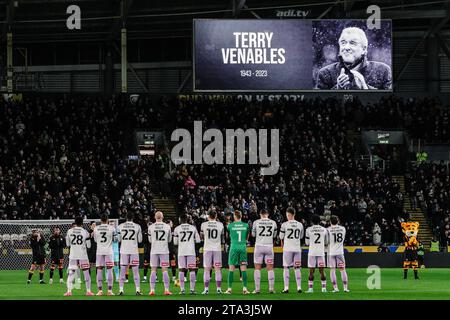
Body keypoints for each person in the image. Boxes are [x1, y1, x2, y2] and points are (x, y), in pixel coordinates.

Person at [316, 27, 392, 90]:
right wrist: (337, 89)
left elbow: (389, 100)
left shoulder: (383, 71)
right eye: (343, 43)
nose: (346, 47)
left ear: (364, 49)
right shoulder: (325, 73)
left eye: (352, 43)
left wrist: (365, 88)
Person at [64, 216, 93, 296]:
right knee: (86, 273)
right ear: (82, 223)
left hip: (73, 255)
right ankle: (88, 291)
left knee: (71, 274)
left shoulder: (69, 231)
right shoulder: (84, 231)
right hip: (83, 255)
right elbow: (89, 245)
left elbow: (67, 244)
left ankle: (69, 291)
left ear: (75, 222)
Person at [173, 214, 201, 295]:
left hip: (181, 251)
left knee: (181, 270)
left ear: (180, 220)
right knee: (192, 270)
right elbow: (198, 240)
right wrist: (192, 240)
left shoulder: (177, 229)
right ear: (187, 220)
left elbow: (175, 242)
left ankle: (182, 290)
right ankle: (192, 290)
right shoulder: (193, 228)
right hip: (191, 251)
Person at [251, 209, 278, 294]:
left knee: (257, 268)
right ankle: (271, 289)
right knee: (270, 268)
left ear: (260, 214)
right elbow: (274, 235)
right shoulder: (273, 222)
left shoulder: (256, 222)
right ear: (268, 214)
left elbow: (253, 234)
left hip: (259, 246)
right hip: (269, 246)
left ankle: (257, 289)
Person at [117, 211, 143, 295]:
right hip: (134, 251)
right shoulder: (137, 226)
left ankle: (121, 290)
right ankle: (138, 290)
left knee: (122, 271)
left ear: (125, 217)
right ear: (133, 218)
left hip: (124, 250)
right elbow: (140, 240)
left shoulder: (120, 226)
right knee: (135, 271)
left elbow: (118, 240)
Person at [279, 207, 304, 293]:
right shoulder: (300, 224)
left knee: (286, 268)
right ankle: (299, 287)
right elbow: (301, 237)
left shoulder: (284, 224)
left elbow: (281, 237)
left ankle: (286, 288)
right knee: (297, 268)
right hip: (297, 249)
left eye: (287, 215)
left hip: (288, 249)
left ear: (289, 215)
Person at [148, 211, 173, 296]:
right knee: (164, 270)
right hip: (164, 251)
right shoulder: (167, 227)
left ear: (155, 217)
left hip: (154, 251)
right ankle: (166, 290)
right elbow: (169, 240)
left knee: (153, 270)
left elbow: (149, 240)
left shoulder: (151, 227)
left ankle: (152, 290)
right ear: (162, 217)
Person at [225, 210, 250, 295]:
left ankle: (229, 289)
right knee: (243, 269)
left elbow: (228, 232)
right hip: (242, 247)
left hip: (234, 248)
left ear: (234, 217)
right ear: (241, 216)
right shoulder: (246, 225)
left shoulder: (230, 225)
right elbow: (247, 236)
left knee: (231, 268)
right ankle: (245, 288)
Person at [200, 209, 225, 295]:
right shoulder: (220, 224)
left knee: (207, 269)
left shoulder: (203, 224)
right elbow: (222, 238)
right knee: (218, 269)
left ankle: (206, 289)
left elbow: (202, 237)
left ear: (208, 216)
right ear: (216, 216)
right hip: (217, 249)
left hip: (207, 249)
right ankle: (218, 289)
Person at [93, 214, 116, 296]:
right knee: (109, 269)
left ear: (100, 220)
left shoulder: (96, 228)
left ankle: (100, 291)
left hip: (99, 251)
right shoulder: (112, 228)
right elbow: (115, 239)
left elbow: (95, 240)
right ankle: (109, 291)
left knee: (99, 270)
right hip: (109, 251)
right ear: (108, 220)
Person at [305, 214, 329, 293]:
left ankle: (310, 289)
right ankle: (324, 288)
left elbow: (307, 243)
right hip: (321, 252)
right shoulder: (324, 229)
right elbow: (326, 242)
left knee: (311, 272)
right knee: (322, 271)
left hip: (312, 252)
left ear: (312, 221)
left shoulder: (308, 229)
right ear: (319, 221)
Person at [327, 216, 349, 292]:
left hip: (331, 252)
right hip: (340, 252)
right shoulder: (343, 229)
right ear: (338, 221)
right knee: (342, 270)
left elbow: (327, 241)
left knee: (332, 270)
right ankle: (345, 288)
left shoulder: (328, 230)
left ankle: (335, 288)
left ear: (330, 222)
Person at [141, 215, 151, 283]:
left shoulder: (154, 232)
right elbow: (143, 240)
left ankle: (155, 277)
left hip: (153, 250)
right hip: (147, 250)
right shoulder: (144, 232)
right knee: (146, 264)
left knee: (154, 265)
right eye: (149, 225)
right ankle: (144, 277)